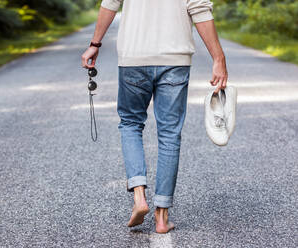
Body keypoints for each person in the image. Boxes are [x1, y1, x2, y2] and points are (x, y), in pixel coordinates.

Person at [81, 0, 228, 234]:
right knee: (170, 133)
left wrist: (94, 44)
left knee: (130, 124)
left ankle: (139, 196)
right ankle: (162, 217)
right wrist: (218, 59)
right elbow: (200, 9)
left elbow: (109, 3)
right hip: (175, 60)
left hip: (134, 58)